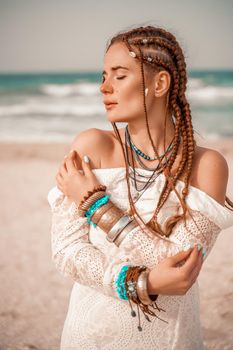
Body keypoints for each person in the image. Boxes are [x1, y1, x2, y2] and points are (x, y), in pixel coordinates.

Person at [47, 26, 233, 349]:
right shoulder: (91, 146)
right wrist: (140, 283)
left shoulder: (206, 166)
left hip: (171, 340)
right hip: (89, 335)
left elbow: (179, 267)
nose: (104, 87)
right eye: (103, 76)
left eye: (119, 76)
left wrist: (97, 207)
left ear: (160, 83)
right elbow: (66, 252)